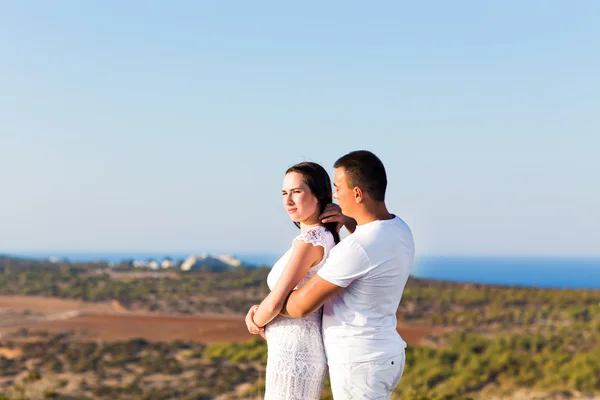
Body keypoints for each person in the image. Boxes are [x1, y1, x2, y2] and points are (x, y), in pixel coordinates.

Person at [248, 150, 415, 399]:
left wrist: (263, 312)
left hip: (359, 362)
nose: (334, 195)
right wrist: (348, 222)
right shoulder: (399, 228)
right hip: (385, 354)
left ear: (357, 193)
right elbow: (369, 243)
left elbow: (300, 307)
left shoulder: (355, 247)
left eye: (338, 188)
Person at [245, 161, 340, 400]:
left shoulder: (310, 239)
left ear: (319, 195)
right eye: (284, 193)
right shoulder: (327, 236)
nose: (288, 201)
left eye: (297, 192)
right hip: (296, 348)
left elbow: (276, 301)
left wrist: (255, 319)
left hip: (294, 351)